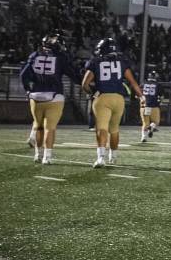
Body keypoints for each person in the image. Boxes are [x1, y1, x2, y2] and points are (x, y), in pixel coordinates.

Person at [82, 37, 143, 167]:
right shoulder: (122, 62)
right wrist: (142, 97)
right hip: (118, 99)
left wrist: (93, 93)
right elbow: (133, 83)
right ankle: (113, 156)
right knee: (114, 129)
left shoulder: (96, 61)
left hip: (103, 98)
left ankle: (101, 158)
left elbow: (85, 84)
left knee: (102, 128)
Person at [20, 32, 76, 164]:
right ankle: (47, 157)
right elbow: (73, 74)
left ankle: (37, 155)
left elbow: (23, 75)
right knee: (49, 128)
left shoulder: (34, 55)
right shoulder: (61, 57)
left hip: (36, 96)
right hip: (54, 96)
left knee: (38, 127)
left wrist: (28, 90)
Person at [139, 69, 160, 143]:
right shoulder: (157, 84)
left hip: (144, 106)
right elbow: (161, 96)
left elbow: (137, 95)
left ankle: (143, 137)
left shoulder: (143, 83)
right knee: (156, 122)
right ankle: (151, 127)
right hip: (154, 106)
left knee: (145, 123)